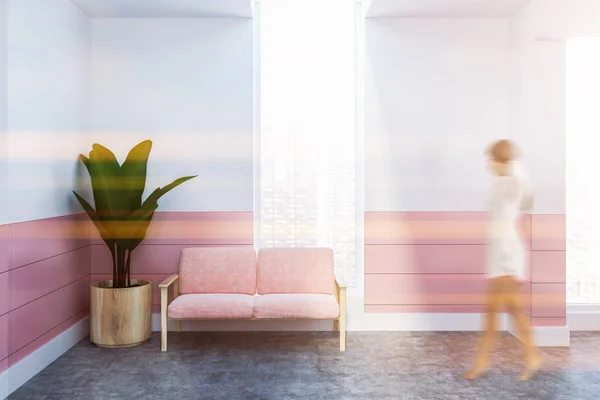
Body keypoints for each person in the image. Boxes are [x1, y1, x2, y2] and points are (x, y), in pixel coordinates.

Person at [464, 139, 542, 380]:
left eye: (492, 159)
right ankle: (532, 357)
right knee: (514, 311)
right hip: (497, 255)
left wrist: (513, 159)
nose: (488, 164)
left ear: (503, 161)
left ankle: (481, 362)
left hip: (509, 255)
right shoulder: (498, 184)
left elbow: (528, 198)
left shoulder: (516, 182)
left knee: (492, 312)